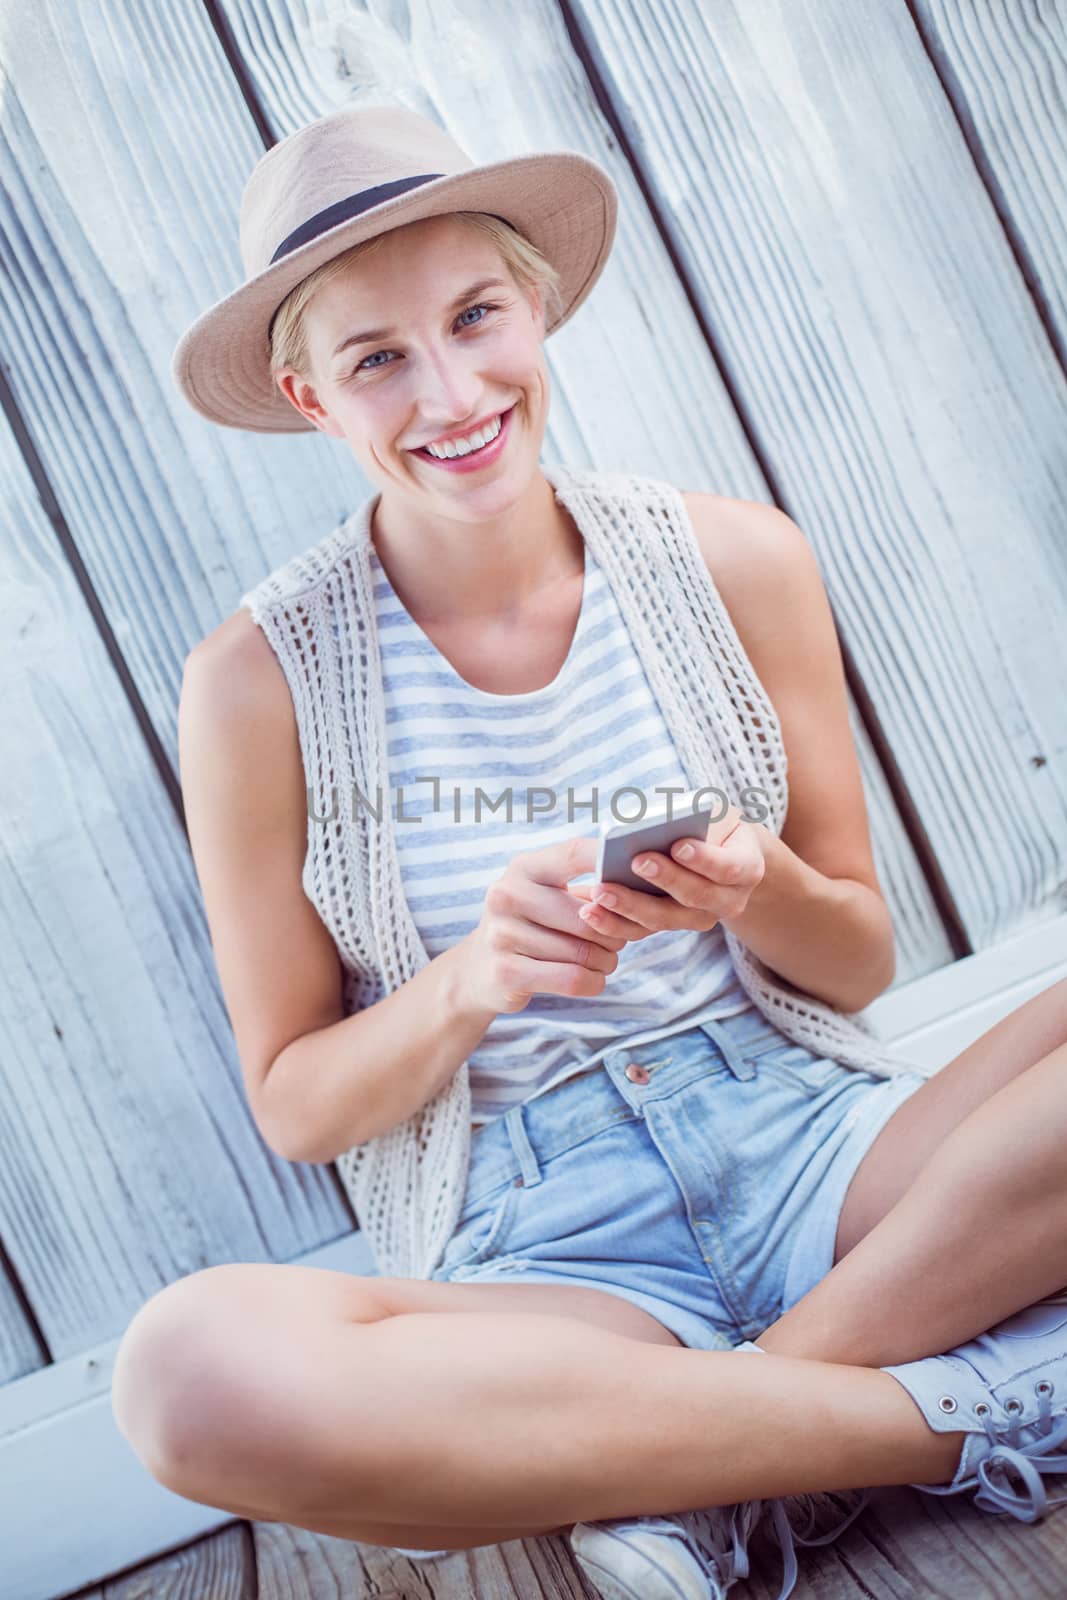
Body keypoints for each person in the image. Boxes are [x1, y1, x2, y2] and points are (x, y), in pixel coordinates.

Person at [110, 104, 1067, 1600]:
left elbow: (861, 955)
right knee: (182, 1374)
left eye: (476, 316)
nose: (451, 390)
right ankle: (961, 1408)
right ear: (311, 400)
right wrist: (471, 982)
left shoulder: (737, 560)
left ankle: (705, 1466)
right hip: (546, 1253)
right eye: (377, 360)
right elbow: (298, 1102)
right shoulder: (254, 682)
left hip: (816, 1157)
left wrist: (761, 889)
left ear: (536, 306)